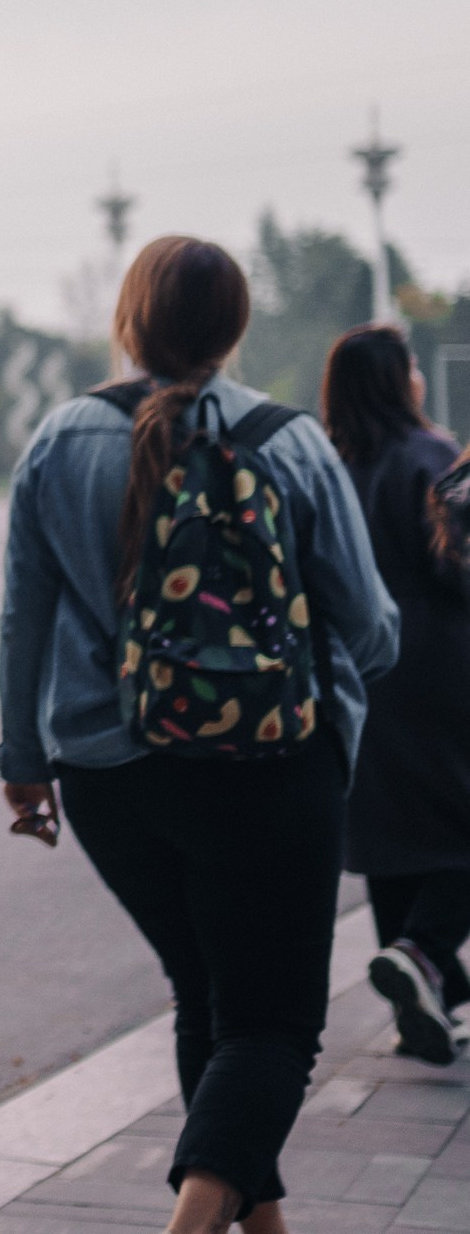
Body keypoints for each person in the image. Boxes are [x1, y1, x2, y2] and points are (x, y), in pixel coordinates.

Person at [0, 237, 398, 1234]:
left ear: (128, 321)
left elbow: (23, 621)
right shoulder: (290, 441)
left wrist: (22, 763)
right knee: (273, 1024)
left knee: (208, 996)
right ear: (233, 328)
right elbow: (372, 629)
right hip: (268, 770)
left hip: (108, 780)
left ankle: (257, 1226)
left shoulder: (56, 440)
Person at [321, 323, 470, 1063]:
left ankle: (425, 1000)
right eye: (411, 364)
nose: (418, 375)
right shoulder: (434, 458)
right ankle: (427, 955)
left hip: (358, 676)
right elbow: (459, 565)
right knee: (458, 825)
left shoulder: (329, 467)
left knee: (393, 838)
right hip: (443, 671)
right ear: (395, 379)